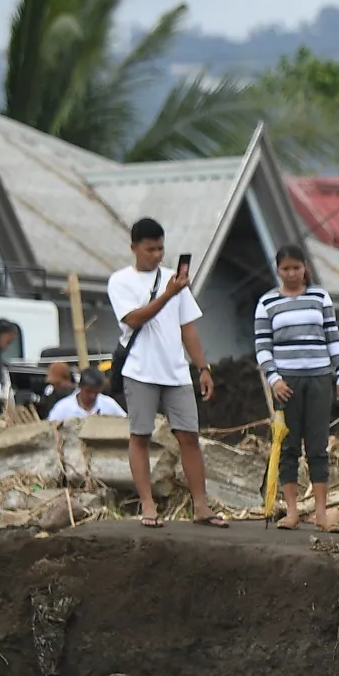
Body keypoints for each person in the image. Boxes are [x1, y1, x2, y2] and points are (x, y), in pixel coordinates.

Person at [109, 218, 224, 529]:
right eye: (150, 249)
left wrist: (203, 367)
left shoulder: (175, 280)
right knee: (141, 435)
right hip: (140, 370)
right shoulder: (120, 282)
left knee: (189, 436)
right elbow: (133, 319)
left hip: (176, 371)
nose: (157, 255)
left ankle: (201, 506)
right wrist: (168, 295)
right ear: (134, 248)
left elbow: (188, 329)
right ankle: (148, 504)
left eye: (161, 248)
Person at [254, 244, 339, 532]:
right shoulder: (267, 303)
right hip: (286, 383)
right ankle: (292, 511)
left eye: (297, 267)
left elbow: (333, 336)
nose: (292, 273)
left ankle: (321, 514)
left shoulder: (319, 297)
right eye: (286, 269)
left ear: (305, 267)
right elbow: (262, 345)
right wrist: (274, 379)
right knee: (288, 446)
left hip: (319, 378)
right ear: (278, 270)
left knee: (318, 447)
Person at [47, 365, 123, 421]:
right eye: (89, 392)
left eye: (96, 392)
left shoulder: (109, 404)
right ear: (80, 386)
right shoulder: (62, 408)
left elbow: (125, 422)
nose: (92, 396)